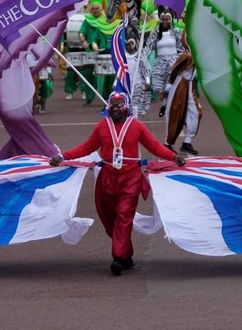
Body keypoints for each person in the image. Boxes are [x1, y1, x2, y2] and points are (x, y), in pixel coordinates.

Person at [49, 92, 184, 275]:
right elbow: (86, 147)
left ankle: (118, 258)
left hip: (131, 178)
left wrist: (174, 157)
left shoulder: (136, 126)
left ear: (127, 107)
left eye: (120, 105)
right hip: (107, 178)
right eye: (113, 104)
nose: (116, 108)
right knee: (109, 218)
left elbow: (154, 146)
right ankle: (126, 255)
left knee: (123, 216)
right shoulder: (102, 127)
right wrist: (62, 156)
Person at [163, 51, 202, 155]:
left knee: (196, 113)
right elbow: (175, 70)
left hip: (189, 86)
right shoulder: (187, 55)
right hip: (179, 86)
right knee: (174, 115)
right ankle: (167, 144)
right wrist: (169, 87)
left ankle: (187, 143)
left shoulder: (198, 55)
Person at [148, 10, 184, 112]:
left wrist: (180, 60)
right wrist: (141, 57)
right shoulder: (155, 32)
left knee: (170, 84)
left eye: (167, 19)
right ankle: (165, 104)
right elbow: (148, 47)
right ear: (160, 20)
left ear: (170, 20)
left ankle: (171, 105)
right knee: (158, 87)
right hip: (160, 61)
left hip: (173, 61)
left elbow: (181, 48)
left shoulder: (176, 32)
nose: (165, 21)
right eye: (163, 19)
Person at [125, 38, 151, 118]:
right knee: (127, 107)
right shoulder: (123, 57)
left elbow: (145, 69)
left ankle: (135, 121)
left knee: (136, 106)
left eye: (130, 44)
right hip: (127, 85)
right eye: (127, 45)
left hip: (138, 85)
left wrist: (147, 81)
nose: (129, 46)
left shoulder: (139, 56)